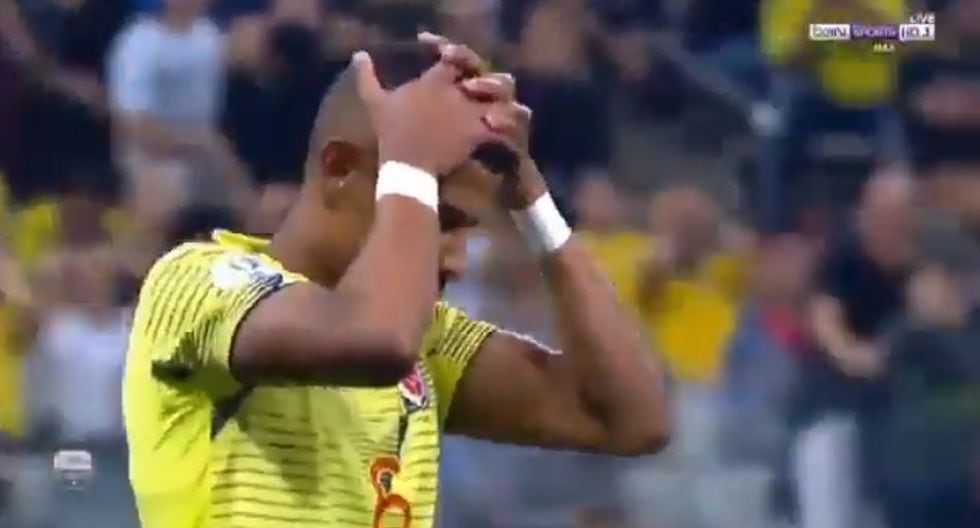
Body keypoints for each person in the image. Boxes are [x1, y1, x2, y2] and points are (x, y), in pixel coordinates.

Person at [124, 35, 669, 528]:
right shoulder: (196, 281)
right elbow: (376, 339)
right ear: (340, 168)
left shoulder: (422, 336)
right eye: (441, 220)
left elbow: (631, 420)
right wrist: (411, 161)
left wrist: (532, 201)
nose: (457, 262)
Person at [796, 170, 919, 528]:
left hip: (900, 412)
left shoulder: (927, 256)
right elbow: (825, 319)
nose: (890, 224)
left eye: (901, 215)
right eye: (881, 213)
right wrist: (854, 355)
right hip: (834, 405)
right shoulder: (843, 254)